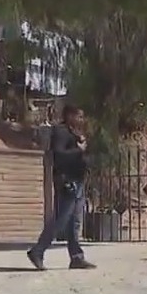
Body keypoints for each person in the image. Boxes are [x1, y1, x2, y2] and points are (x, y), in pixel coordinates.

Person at [27, 105, 97, 270]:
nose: (81, 120)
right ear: (69, 115)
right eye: (78, 116)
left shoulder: (76, 134)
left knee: (75, 222)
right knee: (60, 220)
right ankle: (37, 251)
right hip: (67, 181)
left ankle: (76, 257)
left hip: (78, 180)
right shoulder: (60, 131)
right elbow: (58, 154)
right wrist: (78, 150)